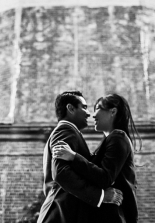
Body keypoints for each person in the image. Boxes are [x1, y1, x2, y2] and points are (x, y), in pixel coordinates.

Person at [37, 91, 124, 223]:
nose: (88, 113)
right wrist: (100, 195)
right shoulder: (65, 130)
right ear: (70, 108)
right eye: (84, 107)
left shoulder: (69, 131)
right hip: (61, 215)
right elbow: (61, 173)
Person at [52, 93, 140, 223]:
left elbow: (105, 178)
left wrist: (73, 157)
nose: (93, 115)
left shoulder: (118, 137)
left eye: (98, 108)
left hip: (114, 217)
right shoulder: (110, 140)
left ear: (113, 111)